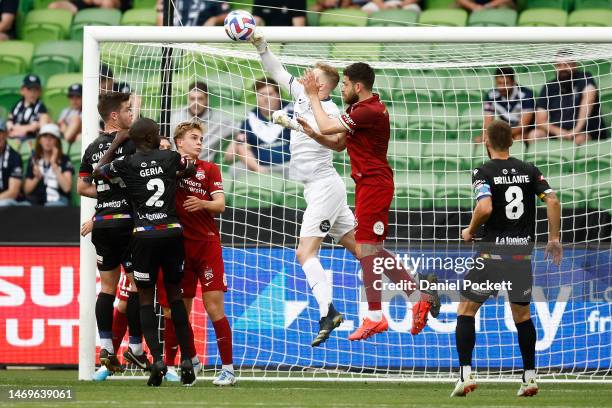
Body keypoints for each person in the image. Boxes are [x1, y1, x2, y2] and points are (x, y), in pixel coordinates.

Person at [300, 62, 440, 340]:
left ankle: (376, 316)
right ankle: (417, 295)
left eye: (345, 84)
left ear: (358, 86)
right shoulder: (358, 111)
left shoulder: (369, 110)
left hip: (375, 184)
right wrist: (315, 135)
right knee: (370, 251)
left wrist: (313, 95)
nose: (342, 88)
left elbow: (329, 125)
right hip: (366, 185)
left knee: (366, 251)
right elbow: (339, 143)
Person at [251, 29, 360, 346]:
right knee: (362, 250)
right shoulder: (300, 94)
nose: (304, 77)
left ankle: (328, 312)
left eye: (311, 76)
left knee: (305, 252)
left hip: (325, 186)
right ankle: (417, 286)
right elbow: (276, 70)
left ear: (322, 85)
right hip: (317, 188)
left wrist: (306, 129)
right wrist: (261, 45)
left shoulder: (331, 112)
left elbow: (339, 144)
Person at [452, 120, 562, 397]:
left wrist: (470, 230)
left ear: (487, 141)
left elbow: (485, 206)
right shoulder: (529, 170)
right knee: (522, 316)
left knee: (465, 311)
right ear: (512, 142)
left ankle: (465, 376)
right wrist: (554, 239)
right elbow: (553, 200)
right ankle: (530, 378)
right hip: (521, 256)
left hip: (491, 255)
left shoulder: (483, 171)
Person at [92, 117, 197, 387]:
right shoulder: (171, 157)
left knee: (145, 300)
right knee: (175, 296)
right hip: (172, 231)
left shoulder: (125, 164)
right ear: (153, 137)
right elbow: (189, 168)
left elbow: (98, 172)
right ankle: (186, 360)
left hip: (144, 235)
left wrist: (115, 144)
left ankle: (158, 361)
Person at [159, 121, 236, 385]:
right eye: (194, 138)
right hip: (179, 248)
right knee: (178, 310)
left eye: (201, 138)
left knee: (215, 307)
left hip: (206, 245)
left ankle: (228, 369)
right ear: (180, 142)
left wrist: (203, 203)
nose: (200, 142)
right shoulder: (168, 169)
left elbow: (221, 205)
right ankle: (178, 363)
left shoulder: (209, 169)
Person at [78, 92, 147, 377]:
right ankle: (136, 348)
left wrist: (106, 198)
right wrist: (121, 195)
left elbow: (83, 187)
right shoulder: (131, 144)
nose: (132, 114)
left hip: (104, 223)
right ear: (115, 116)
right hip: (128, 224)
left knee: (107, 288)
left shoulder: (92, 148)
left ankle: (106, 347)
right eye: (128, 111)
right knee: (135, 287)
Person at [529, 51, 610, 145]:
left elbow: (589, 98)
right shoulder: (549, 87)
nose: (563, 68)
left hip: (584, 131)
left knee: (579, 140)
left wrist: (576, 130)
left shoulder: (585, 78)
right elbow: (540, 120)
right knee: (534, 134)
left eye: (567, 64)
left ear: (575, 65)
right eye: (559, 65)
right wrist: (559, 132)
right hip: (557, 132)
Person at [224, 78, 292, 177]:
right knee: (235, 169)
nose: (266, 98)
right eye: (261, 95)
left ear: (278, 95)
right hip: (261, 167)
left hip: (288, 164)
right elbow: (240, 148)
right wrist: (257, 168)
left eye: (270, 94)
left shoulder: (291, 112)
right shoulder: (250, 119)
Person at [169, 81, 235, 162]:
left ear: (207, 99)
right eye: (192, 99)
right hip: (176, 165)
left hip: (202, 168)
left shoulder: (219, 120)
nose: (196, 103)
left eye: (200, 99)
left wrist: (236, 142)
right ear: (187, 99)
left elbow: (243, 129)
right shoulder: (175, 117)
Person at [478, 67, 534, 143]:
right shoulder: (491, 95)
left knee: (517, 138)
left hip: (526, 131)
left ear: (513, 82)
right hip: (506, 129)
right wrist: (485, 135)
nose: (502, 87)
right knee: (483, 139)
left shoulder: (526, 95)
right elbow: (487, 123)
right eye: (499, 83)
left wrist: (500, 136)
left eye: (506, 83)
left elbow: (523, 126)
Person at [23, 124, 74, 206]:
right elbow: (26, 190)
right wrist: (36, 178)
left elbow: (67, 188)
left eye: (52, 137)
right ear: (39, 140)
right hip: (36, 201)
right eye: (45, 136)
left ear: (57, 141)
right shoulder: (34, 159)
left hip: (58, 201)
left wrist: (54, 165)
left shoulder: (64, 159)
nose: (48, 140)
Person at [7, 74, 50, 142]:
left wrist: (20, 129)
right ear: (22, 90)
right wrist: (18, 129)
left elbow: (38, 128)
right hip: (13, 136)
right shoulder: (17, 105)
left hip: (30, 140)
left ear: (40, 92)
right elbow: (9, 123)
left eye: (36, 90)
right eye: (29, 89)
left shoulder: (41, 107)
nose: (32, 93)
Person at [0, 119, 23, 206]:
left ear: (6, 135)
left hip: (9, 201)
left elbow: (13, 192)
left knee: (3, 204)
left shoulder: (15, 157)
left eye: (0, 133)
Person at [156, 0, 229, 26]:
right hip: (174, 34)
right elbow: (160, 8)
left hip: (200, 36)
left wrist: (215, 19)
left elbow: (226, 14)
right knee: (161, 16)